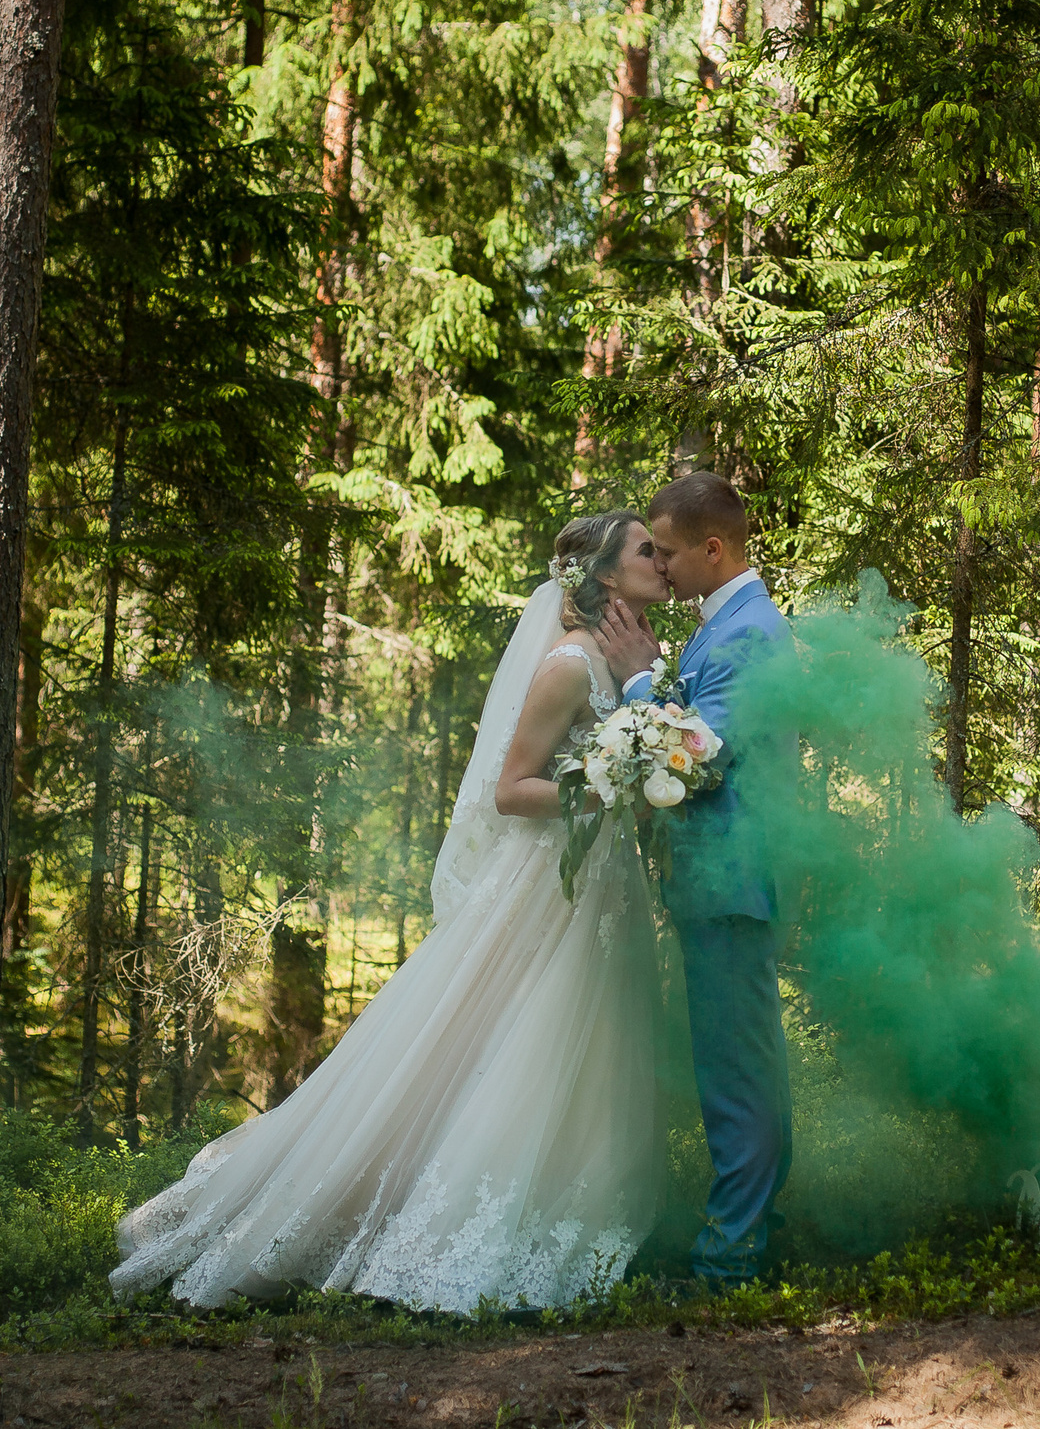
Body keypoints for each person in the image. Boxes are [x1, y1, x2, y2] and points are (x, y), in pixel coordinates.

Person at [110, 512, 671, 1312]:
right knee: (482, 1048)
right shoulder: (570, 665)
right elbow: (513, 790)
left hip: (597, 886)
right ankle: (335, 1214)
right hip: (547, 886)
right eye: (647, 549)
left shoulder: (627, 658)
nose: (662, 559)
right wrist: (604, 792)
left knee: (582, 1052)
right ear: (606, 575)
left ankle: (568, 1212)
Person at [595, 471, 794, 1291]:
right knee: (738, 1066)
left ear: (714, 549)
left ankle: (729, 1262)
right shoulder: (729, 623)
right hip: (718, 880)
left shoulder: (748, 631)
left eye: (669, 551)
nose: (662, 565)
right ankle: (748, 1238)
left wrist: (642, 679)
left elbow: (702, 757)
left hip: (731, 880)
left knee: (736, 1074)